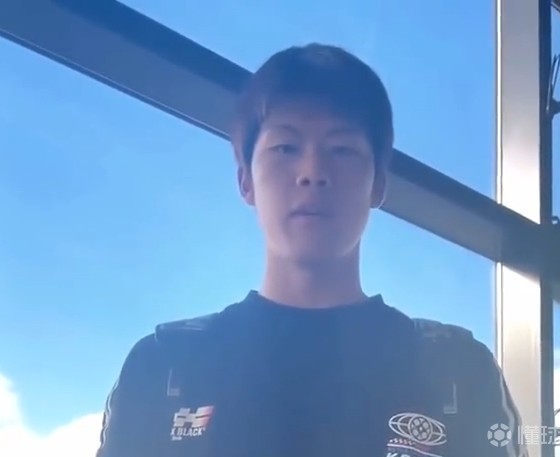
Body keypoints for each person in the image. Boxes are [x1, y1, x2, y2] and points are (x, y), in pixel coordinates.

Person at [95, 43, 527, 457]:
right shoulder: (164, 367)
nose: (313, 172)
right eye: (286, 148)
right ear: (245, 180)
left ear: (378, 183)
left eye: (342, 150)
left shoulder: (457, 369)